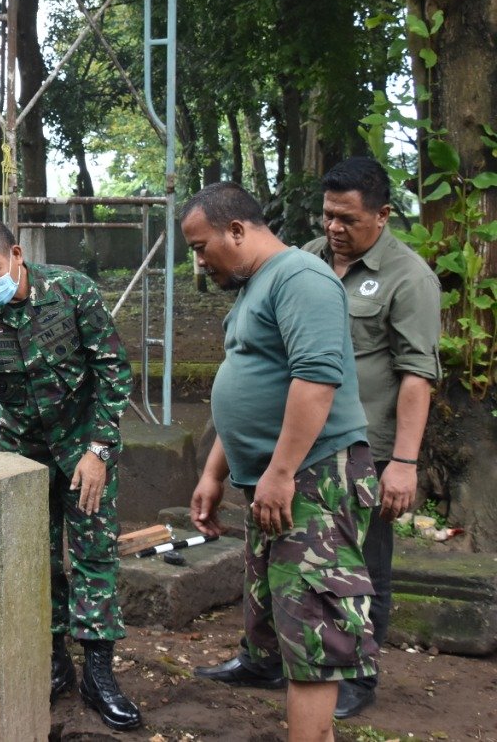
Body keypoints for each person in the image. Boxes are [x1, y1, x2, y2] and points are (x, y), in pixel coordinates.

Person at [194, 160, 440, 720]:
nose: (333, 227)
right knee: (283, 574)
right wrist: (219, 468)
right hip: (287, 448)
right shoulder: (296, 261)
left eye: (347, 218)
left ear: (381, 215)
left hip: (352, 446)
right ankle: (269, 660)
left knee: (351, 576)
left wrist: (404, 460)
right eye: (327, 215)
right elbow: (261, 370)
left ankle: (351, 677)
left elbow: (415, 375)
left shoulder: (407, 276)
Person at [181, 182, 378, 742]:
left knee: (314, 630)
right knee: (287, 626)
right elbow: (252, 383)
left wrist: (282, 471)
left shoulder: (301, 279)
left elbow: (316, 379)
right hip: (282, 479)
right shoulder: (256, 286)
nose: (199, 261)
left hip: (314, 476)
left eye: (200, 246)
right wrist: (214, 472)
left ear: (237, 231)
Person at [0, 215, 141, 731]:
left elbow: (113, 371)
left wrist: (99, 449)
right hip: (21, 452)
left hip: (84, 443)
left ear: (16, 255)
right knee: (35, 556)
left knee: (94, 552)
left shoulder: (72, 291)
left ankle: (99, 672)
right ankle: (54, 660)